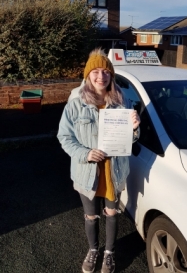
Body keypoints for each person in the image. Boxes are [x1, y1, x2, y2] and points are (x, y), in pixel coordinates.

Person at [57, 48, 140, 273]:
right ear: (88, 75)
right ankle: (93, 250)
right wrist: (84, 153)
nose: (101, 76)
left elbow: (131, 140)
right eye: (95, 71)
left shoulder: (123, 103)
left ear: (111, 75)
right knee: (91, 215)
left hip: (114, 171)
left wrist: (134, 128)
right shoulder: (76, 104)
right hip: (87, 171)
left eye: (105, 71)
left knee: (112, 213)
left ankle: (109, 253)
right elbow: (64, 137)